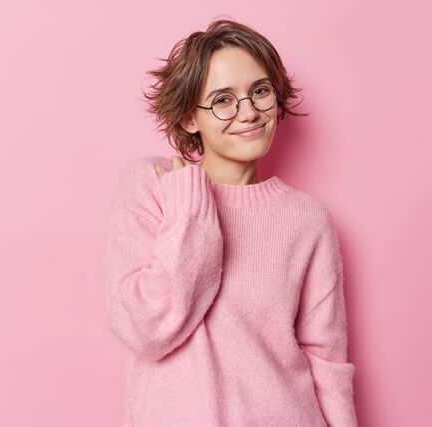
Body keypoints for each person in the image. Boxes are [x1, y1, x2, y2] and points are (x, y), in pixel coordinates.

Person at [103, 18, 358, 427]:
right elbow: (145, 329)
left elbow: (325, 358)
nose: (250, 112)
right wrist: (190, 207)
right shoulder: (155, 188)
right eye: (223, 99)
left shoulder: (307, 219)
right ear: (189, 118)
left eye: (260, 91)